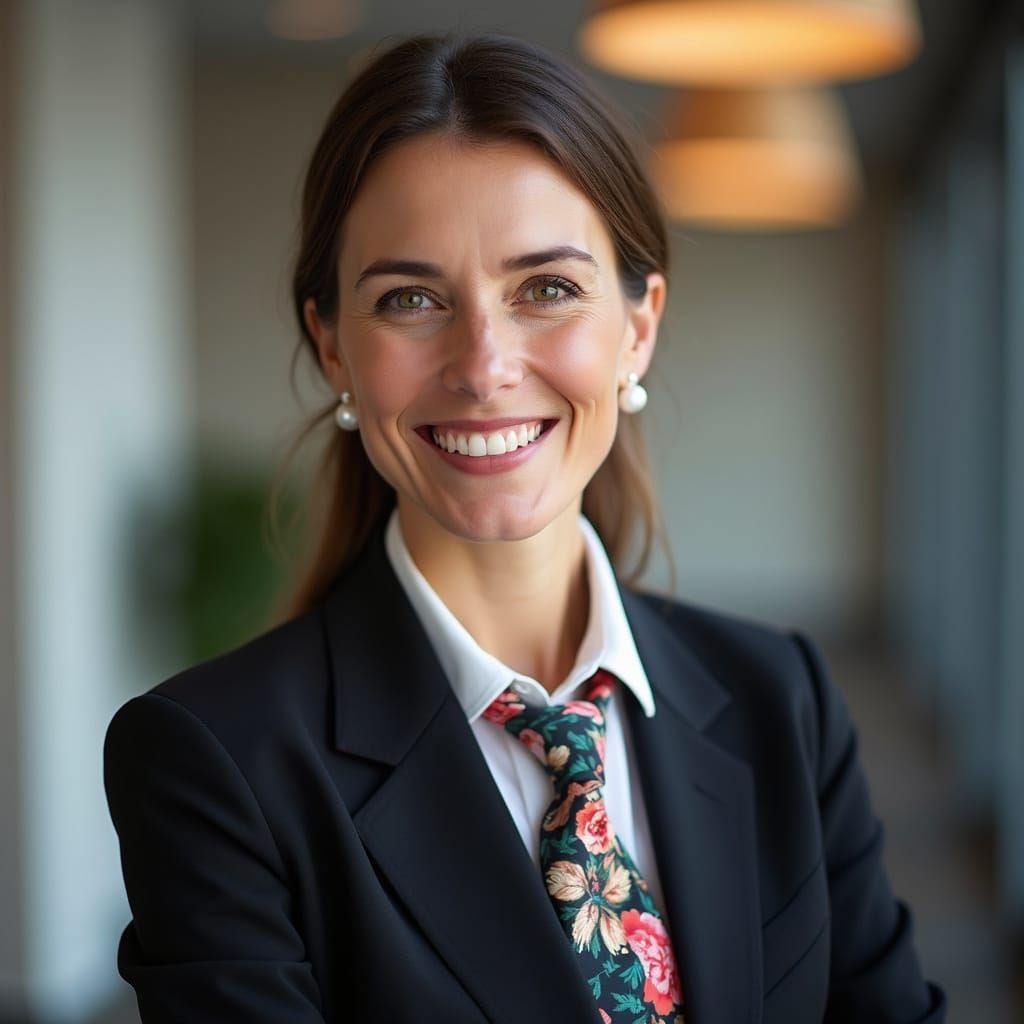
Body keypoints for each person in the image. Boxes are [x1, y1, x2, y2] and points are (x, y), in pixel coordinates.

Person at [103, 33, 946, 1024]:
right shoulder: (217, 762)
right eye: (411, 298)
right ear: (331, 343)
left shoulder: (782, 701)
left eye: (546, 288)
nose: (484, 362)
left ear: (638, 325)